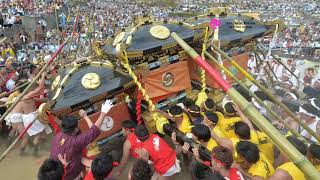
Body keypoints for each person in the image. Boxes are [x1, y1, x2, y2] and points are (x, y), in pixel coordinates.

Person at [50, 100, 114, 180]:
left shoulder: (58, 136)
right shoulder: (76, 141)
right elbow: (94, 131)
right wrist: (103, 113)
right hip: (70, 174)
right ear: (75, 129)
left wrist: (86, 117)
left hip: (59, 170)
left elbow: (92, 131)